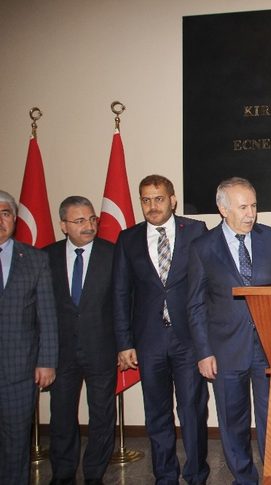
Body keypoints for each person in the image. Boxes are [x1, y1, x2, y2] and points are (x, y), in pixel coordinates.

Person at [188, 177, 271, 484]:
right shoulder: (202, 247)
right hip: (224, 350)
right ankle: (245, 478)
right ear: (223, 209)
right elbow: (194, 305)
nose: (250, 214)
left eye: (254, 206)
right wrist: (204, 351)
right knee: (232, 422)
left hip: (268, 348)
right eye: (242, 207)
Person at [112, 175, 209, 484]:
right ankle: (165, 475)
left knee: (193, 411)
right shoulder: (128, 239)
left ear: (172, 200)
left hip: (189, 339)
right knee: (157, 413)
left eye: (158, 199)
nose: (152, 206)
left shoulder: (196, 231)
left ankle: (196, 474)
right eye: (145, 200)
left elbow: (206, 287)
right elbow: (120, 293)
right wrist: (124, 342)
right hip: (148, 341)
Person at [46, 196, 117, 485]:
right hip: (61, 353)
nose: (88, 226)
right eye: (79, 221)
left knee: (101, 416)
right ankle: (62, 474)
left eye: (91, 219)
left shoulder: (112, 254)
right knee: (61, 417)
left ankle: (94, 474)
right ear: (63, 225)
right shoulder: (46, 256)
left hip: (101, 348)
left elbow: (124, 304)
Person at [0, 190, 58, 485]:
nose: (0, 220)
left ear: (14, 219)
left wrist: (47, 361)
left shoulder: (34, 259)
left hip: (18, 370)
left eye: (5, 213)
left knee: (15, 442)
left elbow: (46, 315)